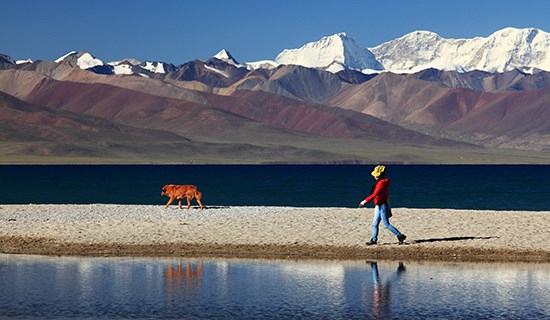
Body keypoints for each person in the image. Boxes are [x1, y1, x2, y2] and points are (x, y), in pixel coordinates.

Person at [359, 165, 406, 245]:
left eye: (376, 175)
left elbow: (374, 194)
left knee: (386, 224)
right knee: (375, 223)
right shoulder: (382, 182)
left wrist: (364, 201)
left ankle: (400, 235)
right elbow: (384, 196)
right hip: (379, 205)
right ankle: (374, 240)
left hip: (382, 206)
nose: (375, 176)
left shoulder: (380, 184)